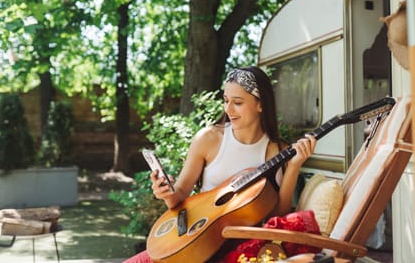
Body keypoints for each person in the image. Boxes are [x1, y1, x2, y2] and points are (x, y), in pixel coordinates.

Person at [124, 66, 316, 263]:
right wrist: (166, 192)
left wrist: (293, 166)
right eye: (226, 100)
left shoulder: (277, 150)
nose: (228, 109)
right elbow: (179, 195)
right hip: (192, 238)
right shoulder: (208, 139)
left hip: (234, 250)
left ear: (261, 105)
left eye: (238, 102)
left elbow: (278, 216)